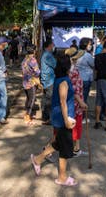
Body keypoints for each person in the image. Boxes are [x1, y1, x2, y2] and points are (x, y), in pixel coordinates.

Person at [30, 54, 78, 187]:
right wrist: (67, 121)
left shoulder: (61, 78)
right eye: (71, 63)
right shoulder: (63, 81)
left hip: (61, 117)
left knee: (58, 143)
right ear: (67, 66)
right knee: (65, 149)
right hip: (63, 119)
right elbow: (63, 102)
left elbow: (67, 98)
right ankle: (62, 177)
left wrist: (80, 102)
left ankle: (37, 159)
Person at [68, 47, 88, 157]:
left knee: (76, 126)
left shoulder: (71, 69)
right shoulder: (73, 71)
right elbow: (74, 91)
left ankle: (77, 148)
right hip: (75, 104)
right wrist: (81, 102)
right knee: (75, 126)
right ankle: (75, 148)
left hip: (74, 102)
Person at [22, 45, 41, 125]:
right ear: (33, 51)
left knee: (28, 98)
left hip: (25, 81)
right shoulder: (33, 60)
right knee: (32, 99)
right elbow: (37, 72)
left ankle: (26, 113)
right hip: (31, 82)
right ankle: (27, 116)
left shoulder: (24, 59)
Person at [40, 40, 56, 125]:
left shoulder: (46, 54)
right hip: (49, 80)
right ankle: (49, 118)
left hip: (46, 80)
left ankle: (45, 117)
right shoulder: (48, 55)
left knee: (46, 99)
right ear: (49, 46)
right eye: (52, 45)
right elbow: (55, 65)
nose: (53, 46)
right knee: (49, 100)